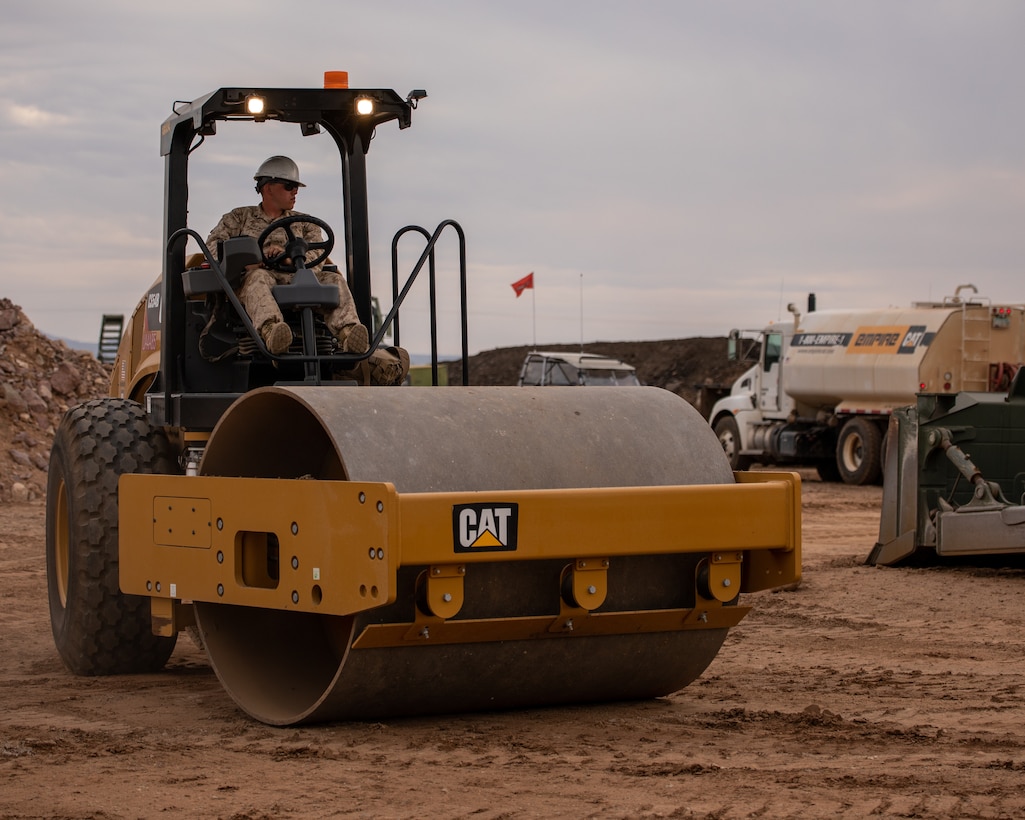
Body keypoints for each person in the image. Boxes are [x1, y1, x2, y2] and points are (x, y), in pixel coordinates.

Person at [205, 155, 370, 356]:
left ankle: (349, 333)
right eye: (289, 186)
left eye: (296, 187)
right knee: (257, 278)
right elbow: (213, 247)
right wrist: (248, 262)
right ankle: (272, 332)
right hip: (260, 278)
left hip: (299, 277)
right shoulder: (239, 218)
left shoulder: (305, 223)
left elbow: (318, 254)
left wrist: (291, 259)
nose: (295, 192)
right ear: (268, 188)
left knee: (334, 279)